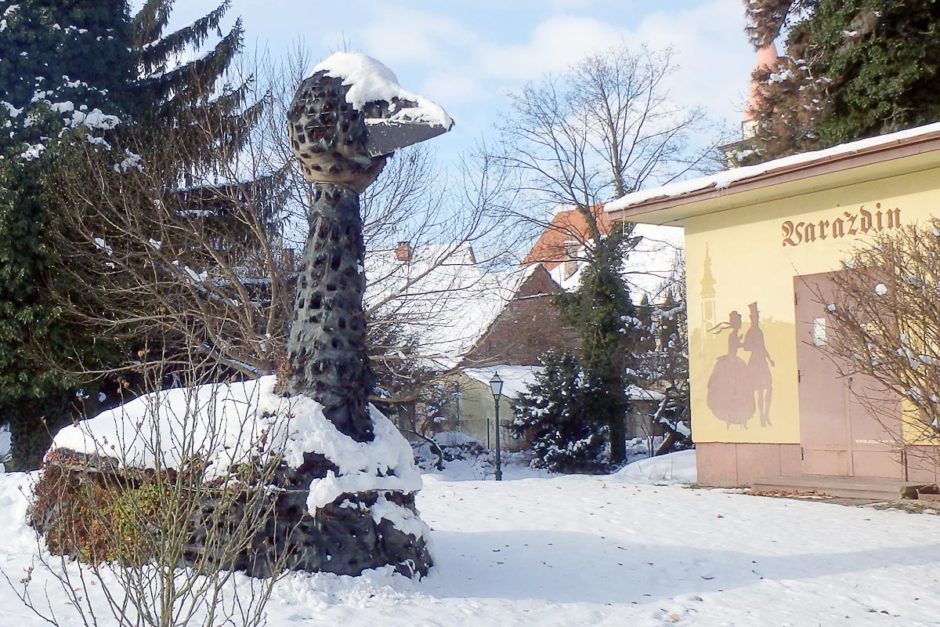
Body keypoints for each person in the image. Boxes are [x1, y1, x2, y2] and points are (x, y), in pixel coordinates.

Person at [706, 311, 754, 427]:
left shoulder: (734, 334)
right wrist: (744, 344)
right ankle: (732, 415)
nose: (740, 324)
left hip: (733, 360)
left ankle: (739, 416)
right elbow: (733, 348)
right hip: (732, 361)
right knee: (734, 387)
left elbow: (735, 346)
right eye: (739, 322)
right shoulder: (732, 335)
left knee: (742, 387)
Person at [743, 302, 774, 427]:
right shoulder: (750, 331)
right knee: (759, 390)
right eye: (755, 317)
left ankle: (766, 414)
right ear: (752, 318)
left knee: (769, 388)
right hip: (755, 362)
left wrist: (769, 358)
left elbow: (763, 346)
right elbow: (746, 347)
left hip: (762, 361)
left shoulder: (759, 331)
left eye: (758, 317)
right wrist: (753, 346)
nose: (757, 320)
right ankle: (761, 416)